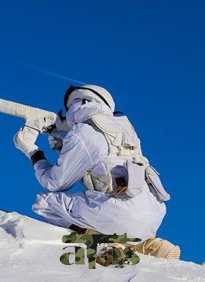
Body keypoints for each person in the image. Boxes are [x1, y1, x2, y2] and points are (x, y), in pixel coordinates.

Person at [13, 84, 180, 259]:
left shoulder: (83, 131)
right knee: (120, 216)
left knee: (45, 203)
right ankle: (149, 246)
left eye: (70, 107)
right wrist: (64, 145)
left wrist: (32, 152)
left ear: (82, 102)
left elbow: (54, 182)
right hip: (152, 216)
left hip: (119, 215)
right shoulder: (126, 130)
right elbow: (104, 160)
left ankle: (103, 244)